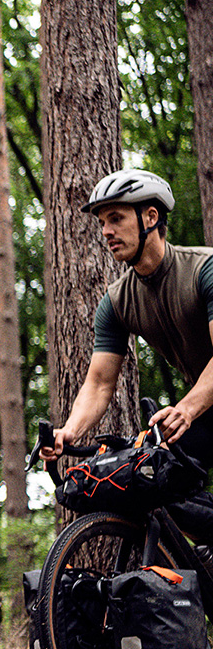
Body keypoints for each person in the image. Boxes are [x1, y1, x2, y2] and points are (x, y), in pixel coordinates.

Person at [42, 167, 213, 539]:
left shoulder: (205, 269)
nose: (106, 231)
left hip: (200, 403)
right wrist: (68, 432)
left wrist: (185, 409)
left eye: (116, 218)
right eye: (102, 222)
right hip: (207, 407)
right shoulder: (117, 302)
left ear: (150, 217)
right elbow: (99, 384)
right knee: (149, 475)